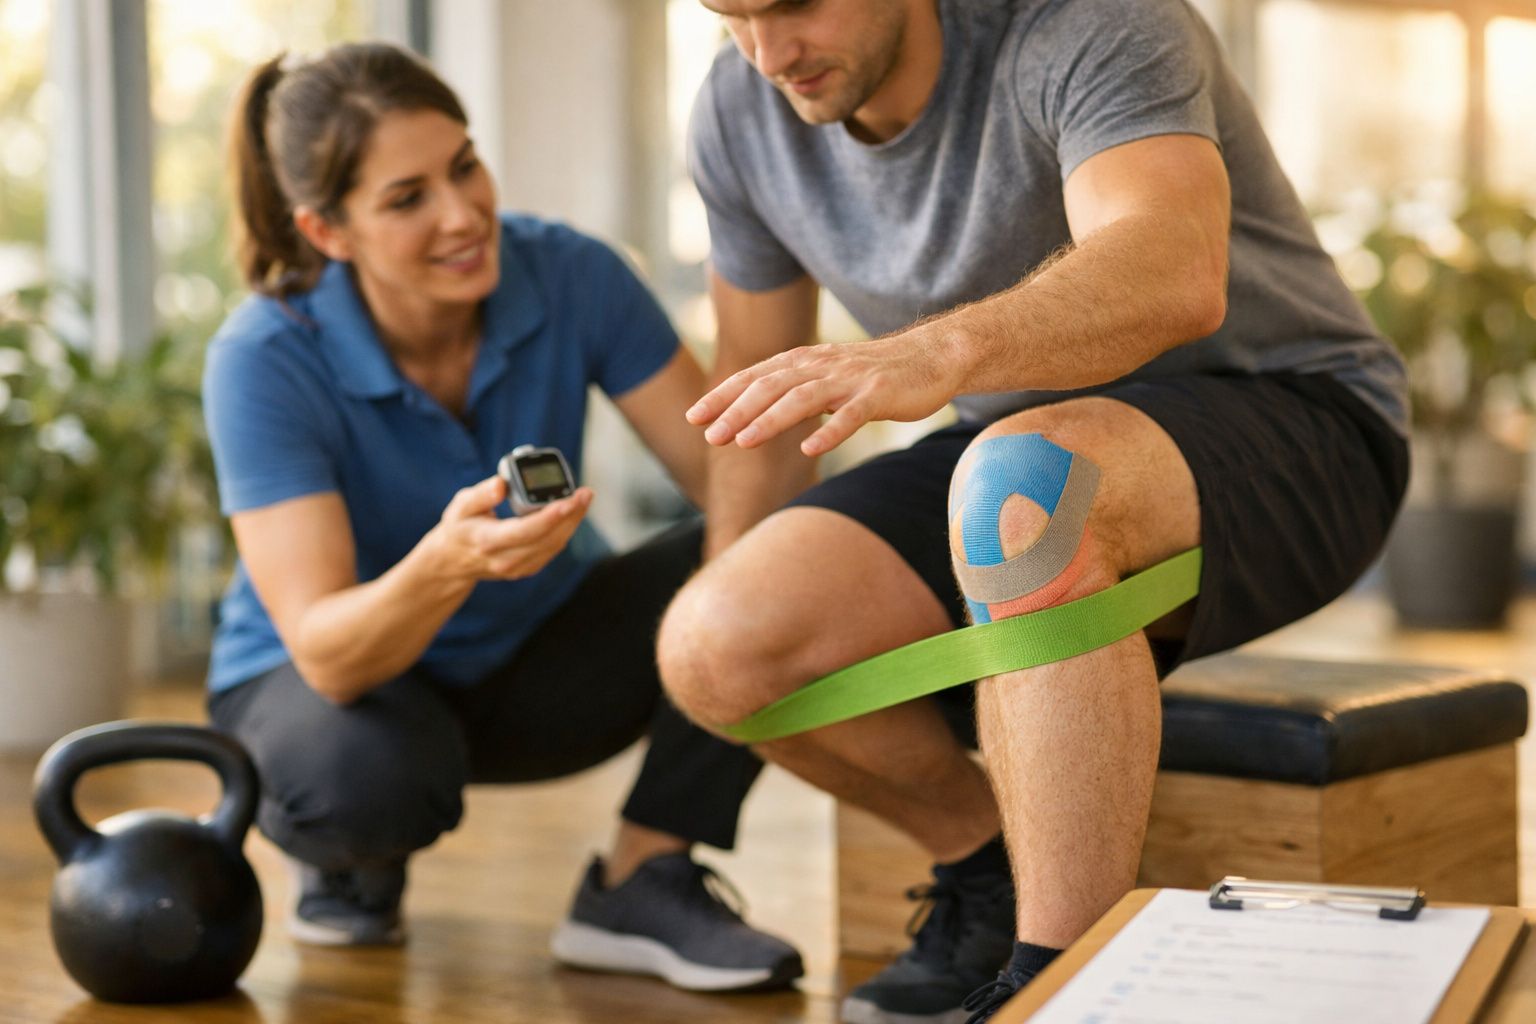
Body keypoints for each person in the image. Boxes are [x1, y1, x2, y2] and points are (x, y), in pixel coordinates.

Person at [655, 1, 1410, 1021]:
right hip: (1018, 441)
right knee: (715, 643)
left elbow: (1173, 266)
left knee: (1023, 491)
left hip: (1300, 418)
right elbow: (757, 381)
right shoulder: (740, 108)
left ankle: (1069, 986)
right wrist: (720, 709)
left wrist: (936, 353)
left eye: (791, 3)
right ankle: (990, 876)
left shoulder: (1087, 22)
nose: (766, 53)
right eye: (730, 13)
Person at [202, 41, 802, 993]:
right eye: (407, 199)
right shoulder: (264, 357)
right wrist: (451, 560)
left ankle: (643, 875)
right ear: (327, 231)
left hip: (534, 665)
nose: (462, 214)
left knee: (780, 554)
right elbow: (324, 649)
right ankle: (352, 862)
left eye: (464, 165)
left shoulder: (572, 276)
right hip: (333, 688)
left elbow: (729, 480)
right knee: (364, 783)